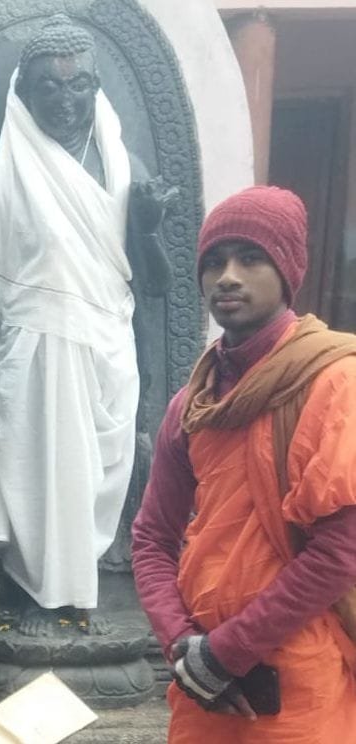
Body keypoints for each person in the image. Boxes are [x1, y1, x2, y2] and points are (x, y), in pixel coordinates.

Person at [0, 14, 174, 633]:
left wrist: (148, 229)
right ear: (24, 92)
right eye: (49, 86)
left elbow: (156, 285)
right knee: (41, 485)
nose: (65, 99)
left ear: (95, 88)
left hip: (109, 350)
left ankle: (81, 596)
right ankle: (42, 602)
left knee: (94, 482)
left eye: (78, 84)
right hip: (34, 356)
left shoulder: (126, 169)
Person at [132, 185, 356, 742]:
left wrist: (228, 651)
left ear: (287, 270)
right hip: (204, 682)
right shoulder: (193, 403)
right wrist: (182, 645)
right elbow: (152, 537)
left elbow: (341, 550)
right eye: (214, 262)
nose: (227, 277)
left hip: (298, 673)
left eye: (250, 258)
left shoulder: (335, 381)